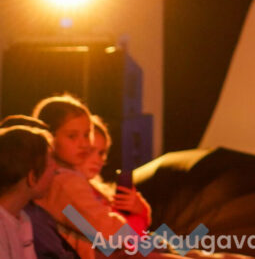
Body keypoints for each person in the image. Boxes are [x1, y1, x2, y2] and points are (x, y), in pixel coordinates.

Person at [32, 96, 146, 259]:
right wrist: (137, 219)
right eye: (72, 136)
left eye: (86, 135)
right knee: (176, 247)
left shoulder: (63, 180)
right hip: (110, 252)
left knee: (177, 246)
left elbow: (86, 224)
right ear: (49, 137)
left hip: (118, 248)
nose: (84, 144)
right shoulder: (65, 183)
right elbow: (111, 234)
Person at [0, 117, 75, 259]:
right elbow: (104, 237)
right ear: (32, 176)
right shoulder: (67, 190)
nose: (85, 145)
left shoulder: (22, 217)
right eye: (72, 136)